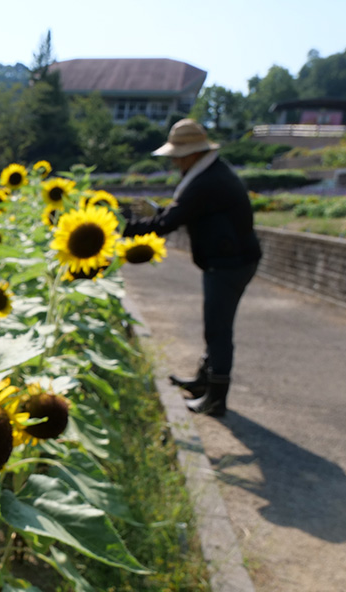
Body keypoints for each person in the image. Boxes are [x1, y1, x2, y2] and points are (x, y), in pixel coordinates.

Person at [123, 118, 261, 417]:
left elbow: (168, 223)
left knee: (218, 329)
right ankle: (203, 383)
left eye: (177, 156)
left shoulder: (206, 181)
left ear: (194, 153)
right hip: (229, 259)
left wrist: (124, 229)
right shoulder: (211, 173)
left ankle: (216, 399)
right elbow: (183, 214)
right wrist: (158, 214)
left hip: (229, 263)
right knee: (215, 325)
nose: (174, 162)